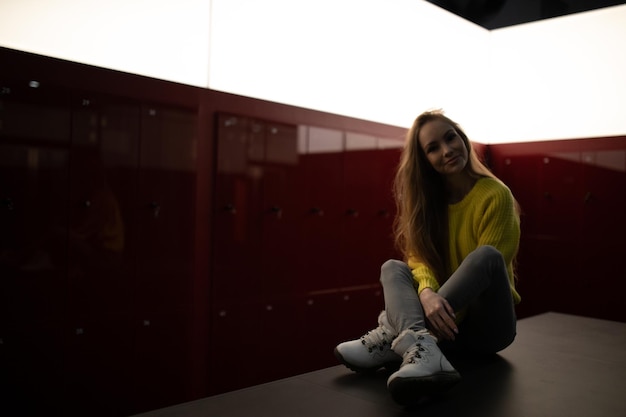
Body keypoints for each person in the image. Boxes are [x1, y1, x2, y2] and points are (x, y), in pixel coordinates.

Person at [334, 109, 521, 406]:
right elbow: (419, 260)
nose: (447, 150)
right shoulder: (429, 204)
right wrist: (427, 293)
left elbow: (486, 272)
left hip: (487, 328)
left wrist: (414, 316)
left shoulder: (495, 195)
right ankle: (421, 346)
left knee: (486, 256)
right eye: (433, 148)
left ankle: (398, 336)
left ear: (462, 138)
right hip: (441, 330)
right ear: (425, 161)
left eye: (450, 138)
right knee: (394, 267)